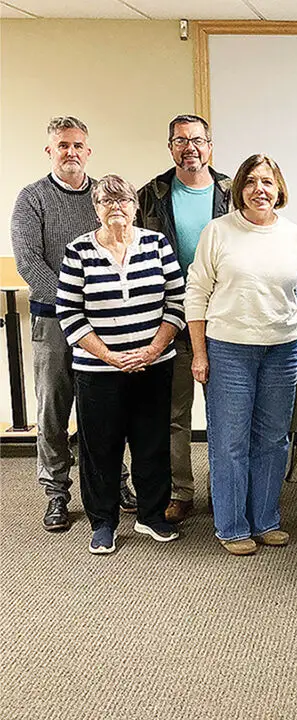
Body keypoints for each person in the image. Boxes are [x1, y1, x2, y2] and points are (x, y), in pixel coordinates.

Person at [11, 116, 136, 533]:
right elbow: (30, 263)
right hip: (53, 323)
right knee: (53, 409)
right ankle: (56, 494)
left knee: (103, 409)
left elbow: (122, 245)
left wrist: (94, 311)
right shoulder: (32, 199)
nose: (70, 152)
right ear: (50, 151)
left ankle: (115, 483)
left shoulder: (105, 196)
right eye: (62, 145)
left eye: (78, 145)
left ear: (88, 150)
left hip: (103, 325)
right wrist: (74, 304)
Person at [185, 154, 297, 556]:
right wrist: (200, 354)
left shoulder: (294, 235)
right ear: (239, 187)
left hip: (282, 349)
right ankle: (232, 526)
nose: (260, 189)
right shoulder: (217, 232)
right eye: (252, 181)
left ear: (279, 189)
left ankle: (266, 520)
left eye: (268, 182)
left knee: (273, 440)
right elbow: (196, 293)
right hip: (228, 350)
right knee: (230, 442)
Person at [55, 174, 185, 554]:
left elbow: (176, 303)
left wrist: (151, 351)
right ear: (95, 209)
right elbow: (70, 316)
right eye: (106, 202)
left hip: (154, 363)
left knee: (153, 440)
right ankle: (104, 521)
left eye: (123, 201)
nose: (116, 208)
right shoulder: (78, 252)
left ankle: (151, 515)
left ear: (135, 205)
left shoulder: (157, 244)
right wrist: (111, 357)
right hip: (98, 370)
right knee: (101, 447)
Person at [136, 114, 232, 524]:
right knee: (175, 413)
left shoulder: (234, 190)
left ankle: (224, 491)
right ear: (170, 146)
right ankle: (181, 491)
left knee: (226, 413)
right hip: (170, 317)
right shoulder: (150, 196)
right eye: (180, 140)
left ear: (210, 146)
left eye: (197, 140)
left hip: (227, 318)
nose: (189, 147)